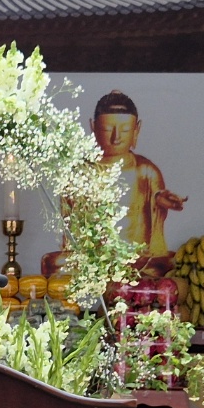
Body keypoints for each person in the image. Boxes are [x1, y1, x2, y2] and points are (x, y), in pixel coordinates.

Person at [42, 89, 186, 279]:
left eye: (125, 130)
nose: (116, 137)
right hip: (93, 260)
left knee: (169, 262)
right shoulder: (78, 173)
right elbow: (71, 229)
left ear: (136, 130)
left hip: (137, 260)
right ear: (93, 127)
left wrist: (160, 200)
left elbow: (157, 201)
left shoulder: (146, 170)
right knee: (52, 263)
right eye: (107, 129)